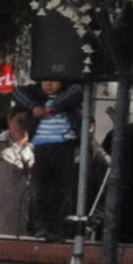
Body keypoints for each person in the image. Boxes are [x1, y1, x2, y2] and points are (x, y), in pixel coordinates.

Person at [24, 75, 82, 238]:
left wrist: (54, 107)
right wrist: (33, 106)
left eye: (54, 80)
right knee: (38, 188)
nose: (49, 84)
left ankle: (59, 227)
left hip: (63, 146)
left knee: (61, 188)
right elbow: (18, 93)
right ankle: (40, 225)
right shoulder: (35, 96)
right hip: (42, 147)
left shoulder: (68, 96)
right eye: (45, 80)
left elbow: (77, 90)